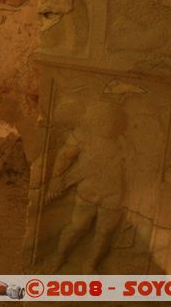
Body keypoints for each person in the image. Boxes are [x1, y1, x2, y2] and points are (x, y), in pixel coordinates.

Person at [45, 101, 126, 273]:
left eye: (113, 122)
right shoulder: (83, 137)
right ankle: (58, 256)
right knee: (77, 226)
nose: (109, 126)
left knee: (104, 234)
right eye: (104, 121)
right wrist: (56, 178)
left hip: (114, 195)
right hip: (89, 191)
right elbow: (64, 157)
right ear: (95, 121)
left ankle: (89, 265)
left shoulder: (124, 144)